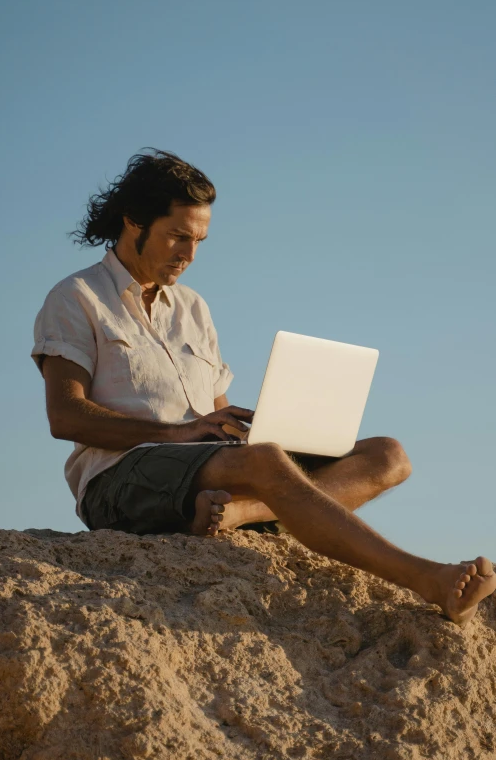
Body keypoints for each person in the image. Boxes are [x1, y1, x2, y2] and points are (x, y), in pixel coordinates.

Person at [31, 148, 495, 627]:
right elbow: (65, 417)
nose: (189, 255)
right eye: (177, 237)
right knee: (265, 461)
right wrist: (181, 433)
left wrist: (254, 425)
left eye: (199, 241)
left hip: (202, 470)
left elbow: (214, 411)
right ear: (133, 221)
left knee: (387, 456)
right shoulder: (76, 297)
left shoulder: (193, 308)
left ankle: (236, 515)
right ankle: (431, 580)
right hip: (119, 480)